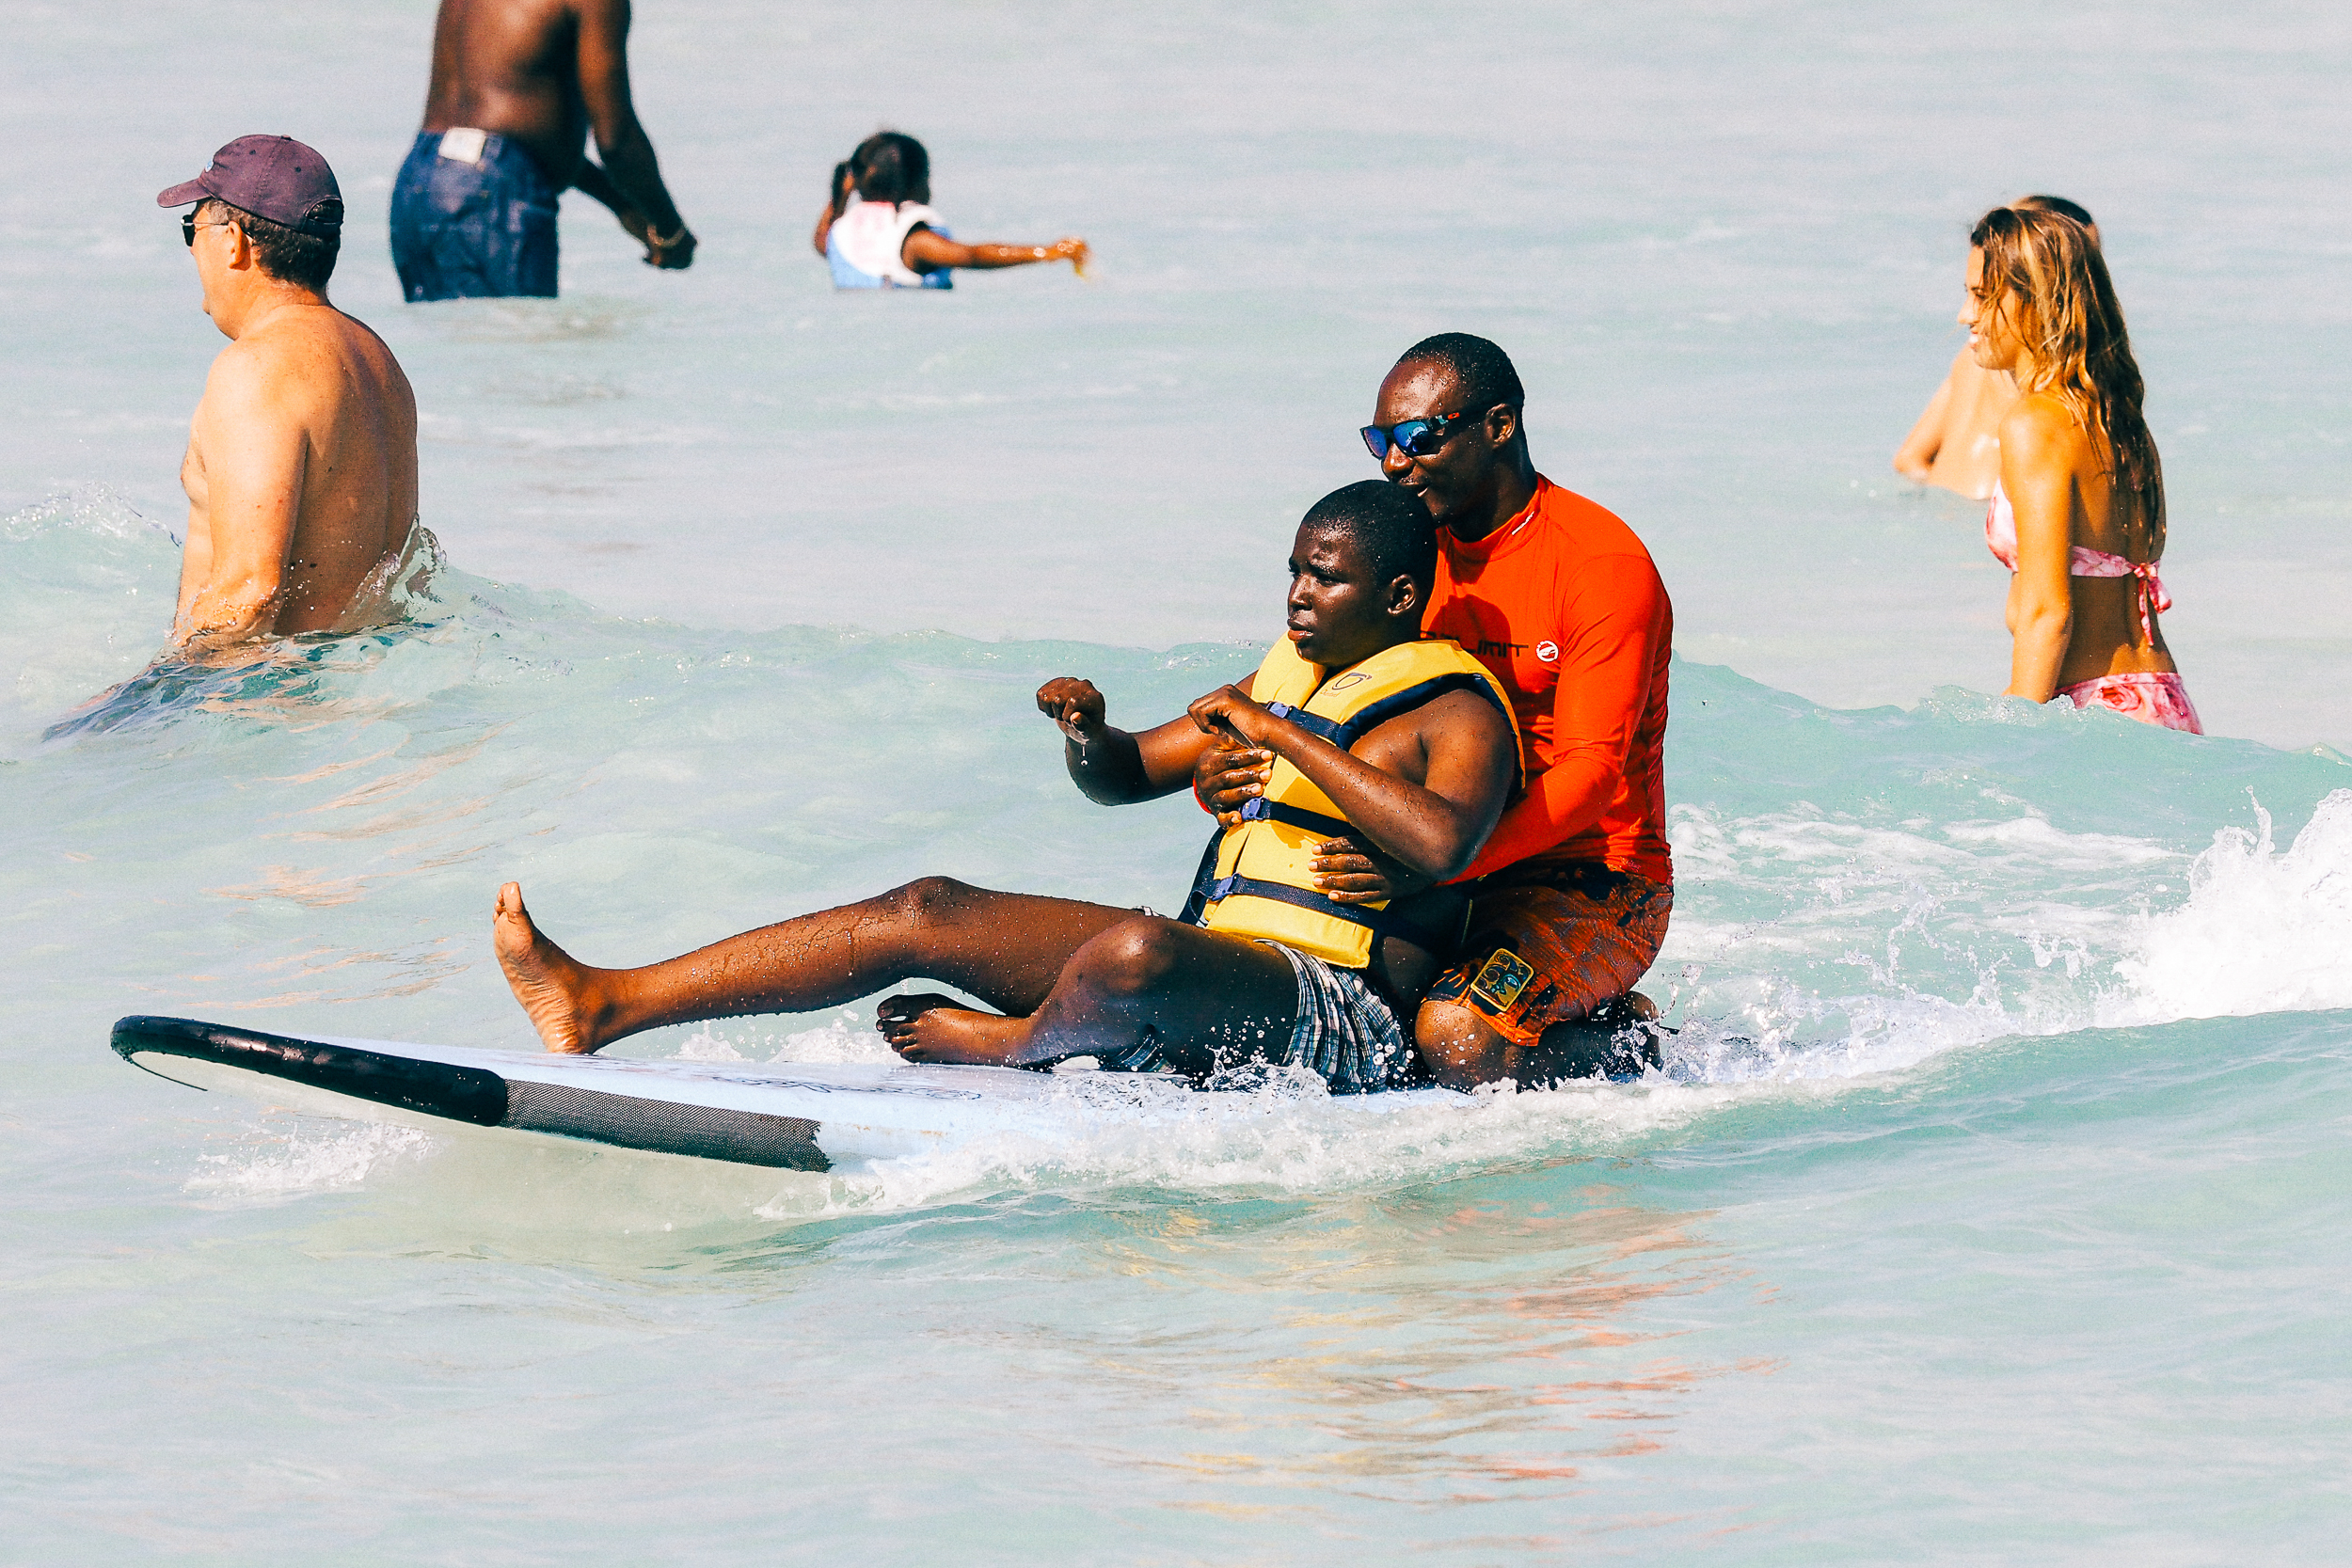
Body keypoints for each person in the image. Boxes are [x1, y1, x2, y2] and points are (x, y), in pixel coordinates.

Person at [492, 482, 1521, 1092]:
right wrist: (1088, 734)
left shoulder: (1455, 709)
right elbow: (1124, 780)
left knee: (1136, 950)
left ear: (1395, 594)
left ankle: (1012, 1047)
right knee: (928, 909)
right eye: (1293, 569)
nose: (1298, 594)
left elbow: (1446, 844)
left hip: (1341, 1018)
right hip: (1217, 968)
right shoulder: (1281, 684)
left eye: (1324, 578)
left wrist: (1280, 737)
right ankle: (605, 999)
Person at [1198, 336, 1674, 1089]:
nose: (1393, 463)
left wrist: (1441, 867)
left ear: (1499, 426)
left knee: (1456, 1038)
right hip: (1431, 852)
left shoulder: (1601, 567)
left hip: (1586, 879)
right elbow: (1310, 694)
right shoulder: (1410, 554)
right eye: (1379, 441)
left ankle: (1636, 1046)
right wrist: (1220, 776)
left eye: (1419, 439)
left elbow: (1591, 777)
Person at [154, 136, 421, 652]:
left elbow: (248, 595)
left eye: (192, 226)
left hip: (277, 702)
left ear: (234, 240)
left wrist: (150, 705)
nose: (191, 245)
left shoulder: (257, 368)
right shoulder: (378, 361)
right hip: (364, 685)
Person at [1962, 205, 2200, 733]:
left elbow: (2049, 614)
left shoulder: (2034, 424)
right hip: (2162, 701)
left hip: (2096, 713)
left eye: (1981, 296)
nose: (1966, 316)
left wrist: (2013, 737)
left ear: (2031, 299)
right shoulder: (2117, 421)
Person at [391, 0, 695, 302]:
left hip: (420, 182)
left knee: (456, 345)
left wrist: (623, 205)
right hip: (492, 196)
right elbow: (617, 141)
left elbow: (510, 130)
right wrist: (671, 230)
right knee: (514, 345)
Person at [1894, 196, 2098, 499]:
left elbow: (1908, 458)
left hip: (1940, 493)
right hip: (1994, 511)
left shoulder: (1977, 349)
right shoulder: (2046, 359)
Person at [811, 132, 1087, 291]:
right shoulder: (914, 241)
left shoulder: (839, 233)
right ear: (918, 183)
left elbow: (823, 243)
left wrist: (841, 196)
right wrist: (1048, 252)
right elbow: (972, 256)